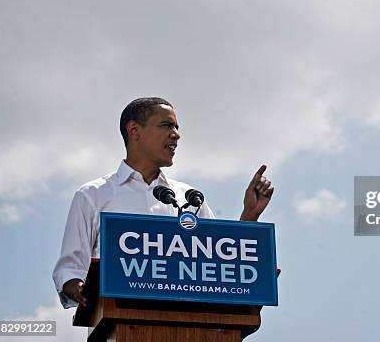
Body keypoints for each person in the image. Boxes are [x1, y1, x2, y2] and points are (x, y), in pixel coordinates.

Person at [52, 97, 274, 308]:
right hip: (116, 323)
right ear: (134, 131)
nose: (176, 135)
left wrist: (249, 216)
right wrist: (81, 288)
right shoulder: (93, 195)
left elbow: (223, 263)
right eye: (167, 126)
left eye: (177, 128)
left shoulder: (189, 198)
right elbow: (70, 270)